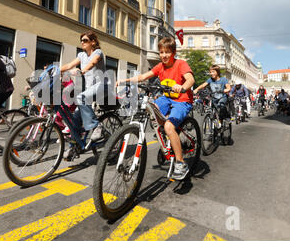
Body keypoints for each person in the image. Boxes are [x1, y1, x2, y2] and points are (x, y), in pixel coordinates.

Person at [117, 37, 195, 180]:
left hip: (182, 100)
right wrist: (125, 81)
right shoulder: (160, 66)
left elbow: (190, 79)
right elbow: (143, 76)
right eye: (161, 52)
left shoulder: (181, 64)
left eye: (167, 52)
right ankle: (168, 140)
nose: (164, 55)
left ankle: (180, 162)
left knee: (169, 126)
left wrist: (183, 87)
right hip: (167, 98)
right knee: (152, 110)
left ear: (174, 53)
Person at [60, 30, 109, 159]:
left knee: (80, 97)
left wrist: (82, 70)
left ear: (93, 42)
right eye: (81, 40)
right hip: (88, 90)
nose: (82, 42)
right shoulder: (81, 55)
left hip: (101, 86)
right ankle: (73, 147)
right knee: (75, 119)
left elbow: (93, 63)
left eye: (85, 40)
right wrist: (54, 70)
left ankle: (97, 126)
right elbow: (70, 64)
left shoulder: (98, 52)